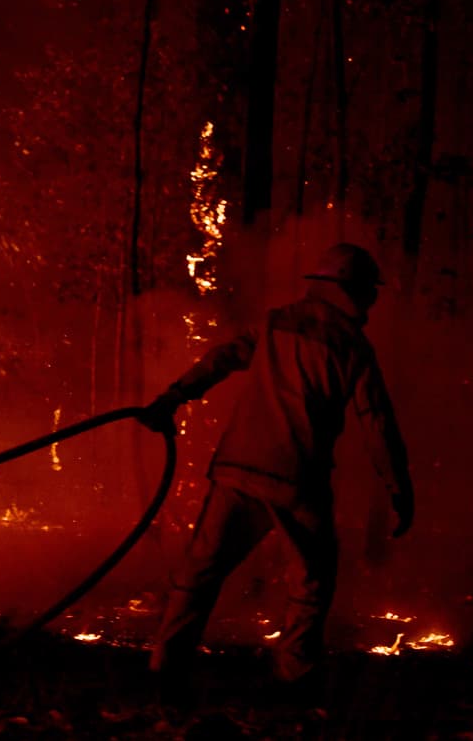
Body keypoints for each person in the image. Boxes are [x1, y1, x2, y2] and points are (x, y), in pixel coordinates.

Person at [141, 242, 413, 696]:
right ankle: (294, 677)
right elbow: (377, 423)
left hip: (238, 469)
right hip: (297, 480)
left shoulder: (274, 323)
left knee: (198, 574)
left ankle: (164, 670)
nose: (372, 300)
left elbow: (220, 359)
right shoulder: (353, 349)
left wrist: (172, 397)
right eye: (369, 291)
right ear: (353, 291)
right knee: (311, 582)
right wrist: (398, 485)